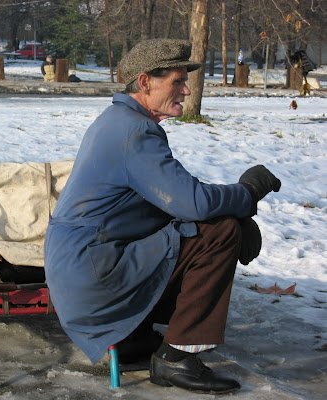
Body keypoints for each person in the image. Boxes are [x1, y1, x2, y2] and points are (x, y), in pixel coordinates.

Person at [44, 39, 281, 394]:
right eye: (177, 81)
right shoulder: (133, 131)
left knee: (205, 228)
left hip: (85, 270)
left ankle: (132, 335)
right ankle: (176, 357)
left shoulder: (119, 121)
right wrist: (246, 194)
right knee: (220, 233)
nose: (186, 90)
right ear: (145, 82)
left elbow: (170, 202)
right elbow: (192, 202)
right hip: (94, 277)